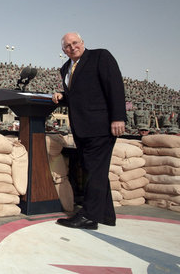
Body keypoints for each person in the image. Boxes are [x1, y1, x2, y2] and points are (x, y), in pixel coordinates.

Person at [52, 32, 126, 230]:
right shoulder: (65, 68)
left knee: (94, 171)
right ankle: (106, 215)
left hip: (101, 126)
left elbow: (115, 86)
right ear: (63, 50)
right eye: (67, 46)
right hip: (82, 127)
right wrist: (62, 96)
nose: (72, 47)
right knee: (96, 170)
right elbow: (79, 96)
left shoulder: (100, 56)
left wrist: (118, 117)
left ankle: (89, 216)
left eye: (75, 43)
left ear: (82, 43)